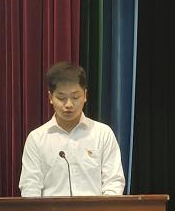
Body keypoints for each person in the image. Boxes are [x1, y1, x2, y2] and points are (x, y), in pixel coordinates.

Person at [19, 61, 125, 197]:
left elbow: (114, 181)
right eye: (61, 98)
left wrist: (103, 209)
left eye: (75, 97)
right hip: (51, 210)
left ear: (85, 95)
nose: (69, 104)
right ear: (50, 97)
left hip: (95, 210)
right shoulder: (36, 138)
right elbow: (30, 186)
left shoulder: (103, 134)